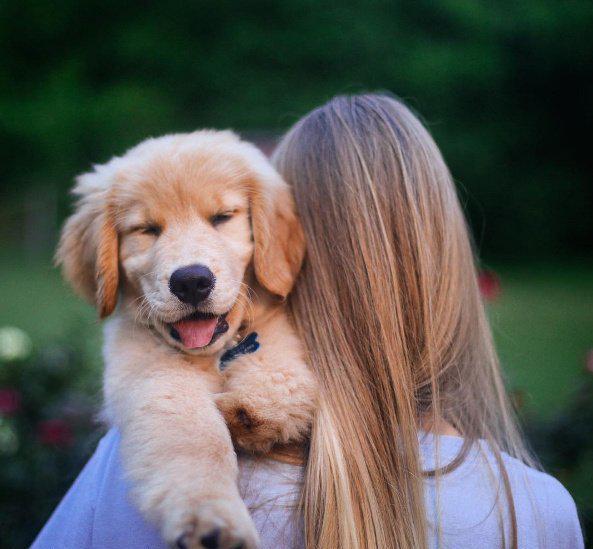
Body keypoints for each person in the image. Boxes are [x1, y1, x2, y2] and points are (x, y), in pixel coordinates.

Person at [33, 94, 583, 549]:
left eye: (223, 216)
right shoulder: (538, 513)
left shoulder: (132, 468)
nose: (187, 261)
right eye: (146, 229)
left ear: (287, 243)